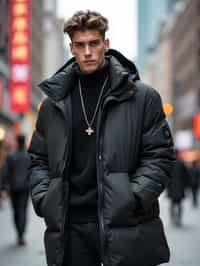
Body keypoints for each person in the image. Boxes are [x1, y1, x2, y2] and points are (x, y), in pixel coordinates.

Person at [28, 10, 175, 266]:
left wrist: (133, 197)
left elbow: (160, 156)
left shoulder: (142, 97)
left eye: (94, 43)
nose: (88, 52)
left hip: (124, 222)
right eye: (80, 45)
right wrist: (44, 199)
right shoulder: (53, 104)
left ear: (106, 44)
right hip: (70, 226)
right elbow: (38, 159)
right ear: (71, 48)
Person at [2, 134, 30, 245]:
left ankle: (19, 233)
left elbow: (5, 172)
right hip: (25, 188)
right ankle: (21, 234)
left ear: (17, 142)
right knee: (22, 210)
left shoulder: (10, 155)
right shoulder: (29, 156)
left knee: (16, 211)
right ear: (24, 142)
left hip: (13, 188)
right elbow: (32, 171)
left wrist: (3, 188)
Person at [167, 150, 189, 227]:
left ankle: (172, 218)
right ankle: (179, 219)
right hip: (180, 186)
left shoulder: (170, 163)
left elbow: (167, 175)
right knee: (179, 204)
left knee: (172, 203)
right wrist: (186, 185)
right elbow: (186, 175)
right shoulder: (181, 163)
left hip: (172, 187)